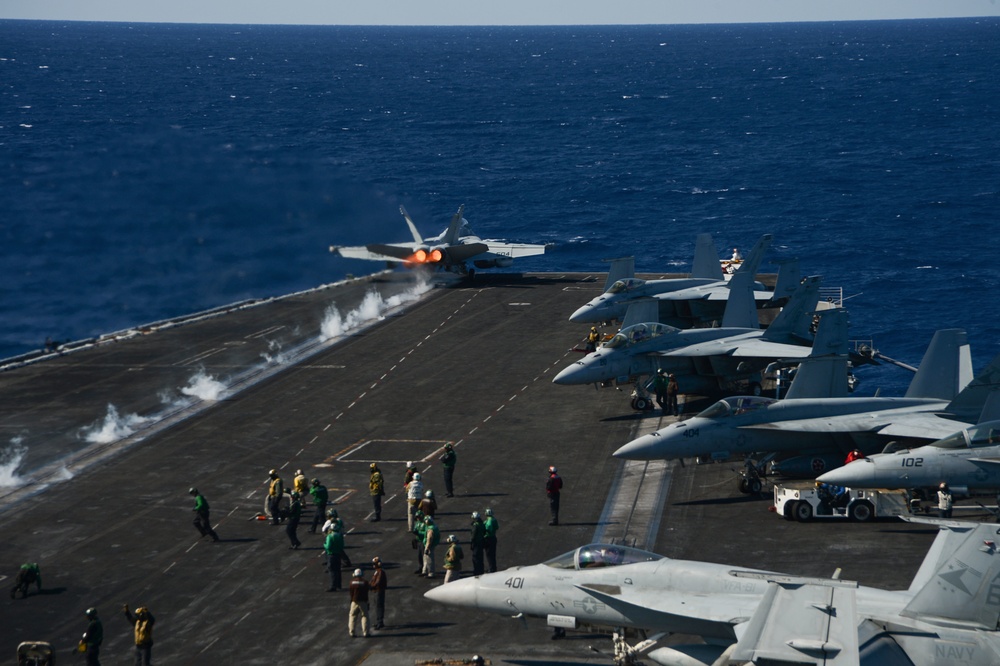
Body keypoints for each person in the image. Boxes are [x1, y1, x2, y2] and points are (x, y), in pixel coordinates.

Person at [348, 568, 370, 638]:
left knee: (352, 616)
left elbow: (351, 593)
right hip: (363, 601)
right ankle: (366, 632)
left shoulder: (351, 582)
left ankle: (352, 632)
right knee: (364, 616)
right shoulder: (365, 582)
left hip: (354, 601)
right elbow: (367, 592)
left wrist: (352, 600)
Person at [323, 524, 345, 591]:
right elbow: (342, 546)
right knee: (338, 570)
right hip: (338, 554)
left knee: (332, 570)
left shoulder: (330, 536)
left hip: (331, 554)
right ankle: (339, 585)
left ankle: (333, 586)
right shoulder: (340, 536)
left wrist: (324, 544)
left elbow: (328, 546)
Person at [369, 556, 388, 630]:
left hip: (378, 591)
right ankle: (379, 621)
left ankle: (380, 622)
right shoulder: (377, 571)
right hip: (376, 591)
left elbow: (377, 582)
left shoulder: (380, 572)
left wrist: (371, 586)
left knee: (379, 606)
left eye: (374, 563)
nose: (373, 565)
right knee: (377, 606)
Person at [483, 507, 499, 573]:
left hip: (488, 538)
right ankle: (493, 567)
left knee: (489, 554)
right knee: (493, 554)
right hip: (493, 537)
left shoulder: (488, 521)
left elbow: (487, 529)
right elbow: (497, 527)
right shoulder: (494, 520)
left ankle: (491, 568)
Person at [470, 511, 486, 576]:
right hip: (481, 542)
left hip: (476, 543)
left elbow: (473, 536)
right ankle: (481, 570)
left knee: (475, 557)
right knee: (481, 557)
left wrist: (472, 544)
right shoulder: (482, 524)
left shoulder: (475, 525)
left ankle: (476, 571)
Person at [411, 509, 427, 574]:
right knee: (419, 556)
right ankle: (421, 567)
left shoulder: (425, 523)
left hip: (423, 541)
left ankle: (425, 569)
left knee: (424, 556)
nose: (417, 519)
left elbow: (426, 533)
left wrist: (418, 533)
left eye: (418, 517)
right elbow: (415, 529)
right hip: (419, 541)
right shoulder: (417, 523)